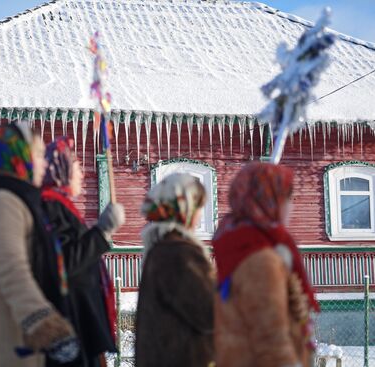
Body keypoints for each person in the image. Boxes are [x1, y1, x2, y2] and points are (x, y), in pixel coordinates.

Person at [0, 125, 78, 367]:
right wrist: (49, 327)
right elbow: (12, 271)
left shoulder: (9, 199)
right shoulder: (2, 203)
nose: (44, 164)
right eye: (39, 154)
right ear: (18, 155)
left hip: (7, 335)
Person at [212, 162, 319, 367]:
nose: (291, 207)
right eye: (286, 198)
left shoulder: (239, 244)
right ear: (268, 202)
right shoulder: (261, 261)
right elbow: (271, 340)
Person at [41, 137, 125, 367]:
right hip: (70, 325)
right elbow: (63, 263)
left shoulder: (60, 205)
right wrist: (101, 232)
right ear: (62, 169)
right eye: (77, 166)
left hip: (77, 324)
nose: (82, 174)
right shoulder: (50, 207)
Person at [135, 173, 215, 367]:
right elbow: (210, 312)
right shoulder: (179, 253)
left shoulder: (160, 248)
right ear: (183, 208)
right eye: (197, 207)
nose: (198, 216)